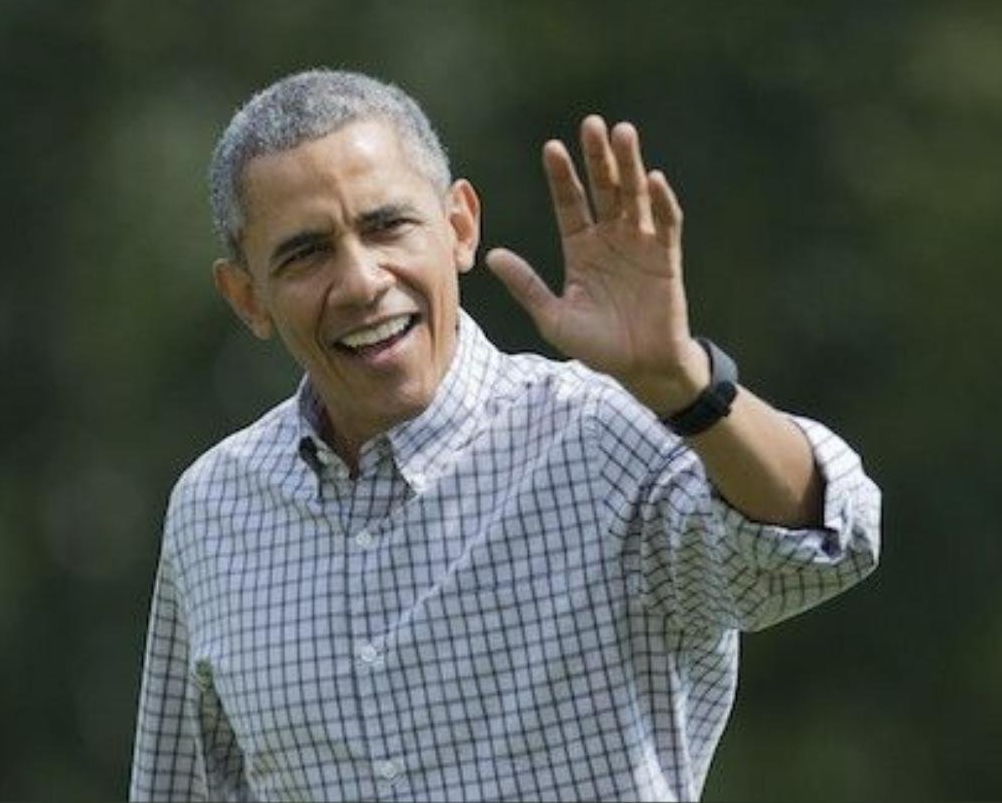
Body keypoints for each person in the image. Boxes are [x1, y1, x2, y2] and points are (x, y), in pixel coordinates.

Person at [129, 68, 881, 802]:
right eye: (306, 253)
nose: (361, 281)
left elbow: (823, 539)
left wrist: (687, 383)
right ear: (247, 297)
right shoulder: (212, 508)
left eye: (387, 225)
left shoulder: (597, 436)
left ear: (459, 226)